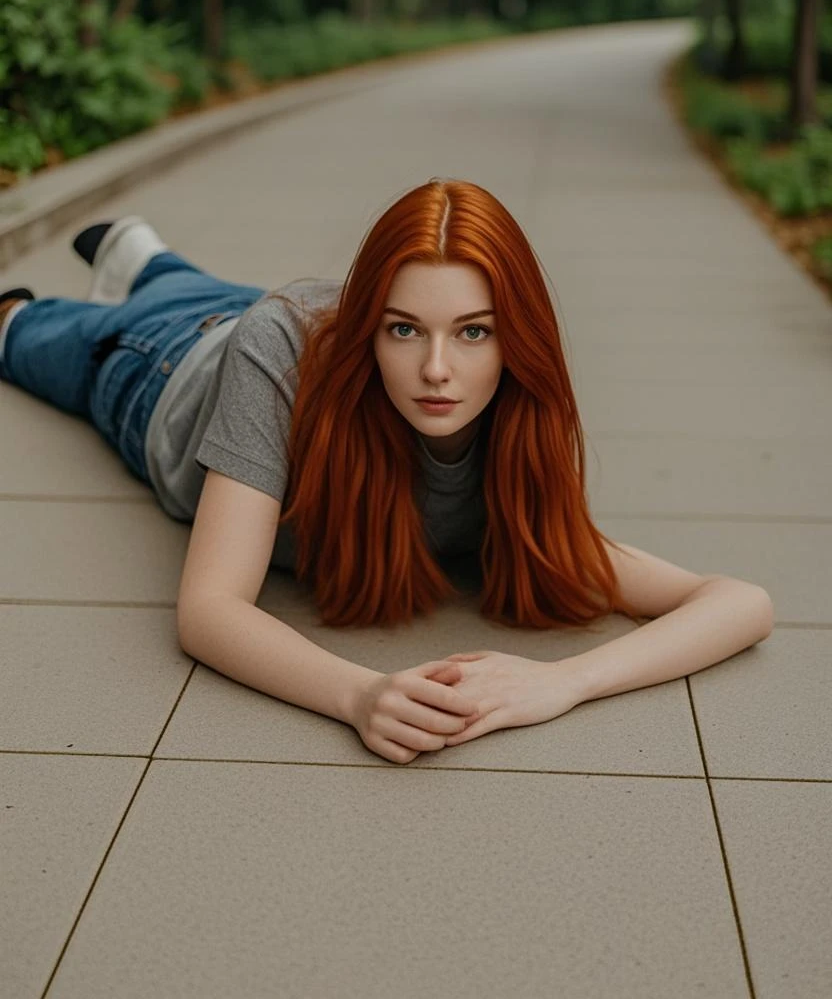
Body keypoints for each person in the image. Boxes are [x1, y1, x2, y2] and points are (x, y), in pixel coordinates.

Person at [0, 178, 774, 764]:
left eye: (473, 332)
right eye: (405, 329)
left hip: (278, 321)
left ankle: (146, 258)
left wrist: (561, 682)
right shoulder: (283, 353)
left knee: (217, 296)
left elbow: (742, 601)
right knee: (19, 329)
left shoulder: (503, 429)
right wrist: (357, 693)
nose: (438, 371)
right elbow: (208, 609)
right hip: (167, 371)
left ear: (517, 345)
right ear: (374, 325)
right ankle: (130, 283)